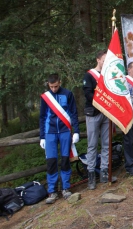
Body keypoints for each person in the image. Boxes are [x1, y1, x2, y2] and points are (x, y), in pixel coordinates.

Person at [39, 73, 79, 204]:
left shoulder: (68, 94)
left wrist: (76, 132)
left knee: (66, 159)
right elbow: (42, 117)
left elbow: (73, 113)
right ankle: (52, 191)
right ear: (48, 85)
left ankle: (66, 188)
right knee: (51, 162)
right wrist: (42, 137)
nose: (54, 89)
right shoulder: (46, 97)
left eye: (56, 86)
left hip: (64, 131)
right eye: (51, 87)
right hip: (50, 132)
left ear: (59, 82)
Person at [83, 50, 112, 190]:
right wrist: (100, 101)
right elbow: (87, 93)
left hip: (106, 113)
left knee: (106, 143)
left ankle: (105, 171)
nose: (106, 62)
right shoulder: (89, 75)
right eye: (104, 59)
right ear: (98, 60)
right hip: (94, 113)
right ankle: (91, 175)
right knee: (92, 144)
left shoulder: (108, 75)